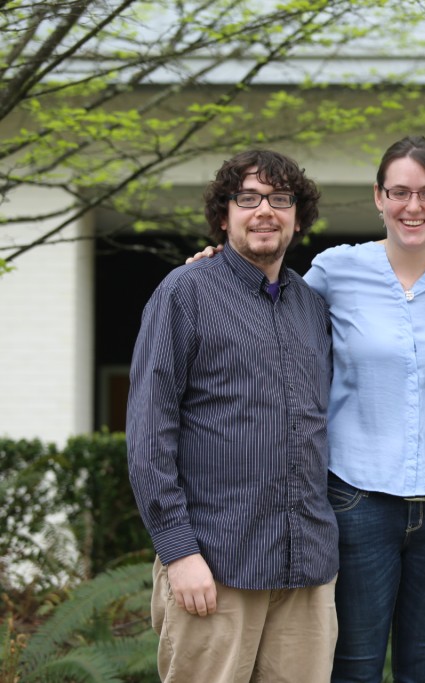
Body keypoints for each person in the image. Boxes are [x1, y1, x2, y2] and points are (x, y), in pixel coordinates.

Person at [127, 150, 338, 682]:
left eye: (280, 199)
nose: (265, 210)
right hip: (215, 568)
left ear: (297, 216)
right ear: (224, 215)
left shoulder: (311, 308)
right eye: (248, 198)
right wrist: (178, 553)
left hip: (304, 570)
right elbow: (150, 433)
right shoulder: (184, 293)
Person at [304, 136, 425, 682]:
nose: (414, 206)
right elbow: (267, 310)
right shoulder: (334, 271)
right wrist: (213, 265)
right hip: (357, 499)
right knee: (354, 668)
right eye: (400, 191)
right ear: (378, 197)